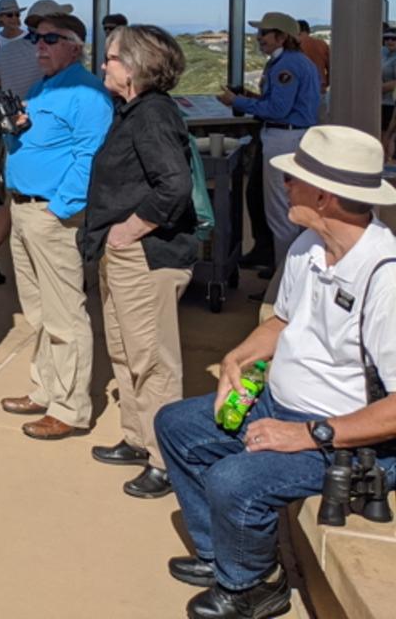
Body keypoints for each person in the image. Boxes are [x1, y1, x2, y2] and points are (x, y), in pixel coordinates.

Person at [156, 125, 396, 619]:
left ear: (324, 196)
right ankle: (221, 554)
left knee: (233, 480)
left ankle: (255, 586)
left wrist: (310, 434)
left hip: (348, 436)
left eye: (294, 179)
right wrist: (235, 359)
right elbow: (284, 323)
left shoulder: (385, 276)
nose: (284, 184)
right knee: (176, 426)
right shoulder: (308, 244)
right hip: (281, 406)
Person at [86, 24, 198, 498]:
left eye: (110, 58)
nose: (104, 65)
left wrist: (129, 231)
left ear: (133, 67)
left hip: (145, 256)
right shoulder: (132, 111)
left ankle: (164, 459)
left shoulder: (151, 114)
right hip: (126, 255)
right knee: (126, 351)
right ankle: (137, 436)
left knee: (152, 360)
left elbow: (174, 184)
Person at [0, 10, 113, 440]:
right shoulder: (42, 87)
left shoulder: (87, 94)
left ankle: (70, 408)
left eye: (49, 39)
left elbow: (90, 158)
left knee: (65, 314)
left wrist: (59, 208)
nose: (39, 46)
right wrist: (15, 129)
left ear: (74, 46)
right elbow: (27, 143)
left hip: (52, 215)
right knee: (38, 311)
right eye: (35, 39)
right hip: (24, 210)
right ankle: (45, 388)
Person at [218, 12, 320, 274]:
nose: (259, 38)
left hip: (283, 138)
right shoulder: (295, 62)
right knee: (293, 207)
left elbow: (277, 109)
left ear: (282, 37)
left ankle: (284, 279)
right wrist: (252, 98)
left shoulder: (286, 66)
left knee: (280, 210)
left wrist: (237, 102)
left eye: (264, 33)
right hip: (294, 135)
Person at [0, 0, 56, 285]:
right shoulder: (50, 53)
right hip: (45, 132)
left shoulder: (5, 52)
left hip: (13, 127)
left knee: (13, 196)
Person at [296, 19, 330, 93]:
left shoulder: (295, 48)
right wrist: (325, 83)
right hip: (320, 89)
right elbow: (332, 68)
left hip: (302, 91)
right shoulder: (322, 44)